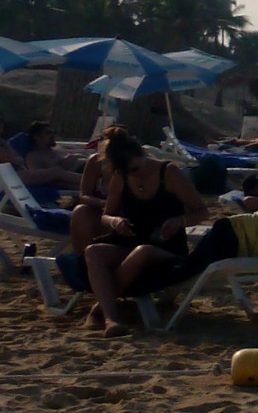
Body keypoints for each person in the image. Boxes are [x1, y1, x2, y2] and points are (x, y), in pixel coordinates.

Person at [83, 127, 209, 336]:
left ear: (141, 154)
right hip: (132, 239)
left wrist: (180, 220)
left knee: (143, 252)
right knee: (93, 252)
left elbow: (203, 212)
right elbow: (106, 215)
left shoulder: (168, 173)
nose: (134, 174)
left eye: (135, 169)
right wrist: (116, 222)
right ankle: (111, 319)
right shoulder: (121, 176)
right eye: (128, 172)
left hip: (166, 247)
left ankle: (102, 311)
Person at [7, 121, 82, 189]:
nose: (52, 135)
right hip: (81, 176)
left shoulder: (56, 150)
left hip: (84, 170)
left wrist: (71, 158)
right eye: (48, 133)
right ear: (37, 137)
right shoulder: (33, 156)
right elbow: (43, 178)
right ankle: (91, 182)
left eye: (53, 132)